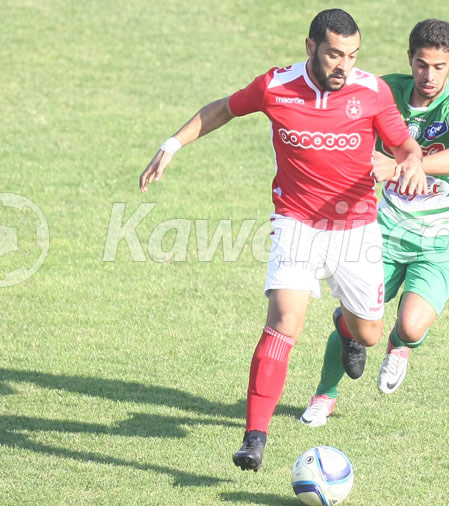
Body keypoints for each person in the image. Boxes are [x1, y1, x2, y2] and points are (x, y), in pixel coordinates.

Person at [138, 9, 427, 472]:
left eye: (352, 56)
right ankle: (255, 436)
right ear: (310, 47)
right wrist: (171, 145)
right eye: (335, 54)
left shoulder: (370, 91)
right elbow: (221, 109)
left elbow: (404, 145)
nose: (343, 66)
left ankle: (346, 326)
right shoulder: (275, 86)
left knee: (370, 333)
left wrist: (409, 163)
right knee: (283, 321)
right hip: (296, 223)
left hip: (355, 228)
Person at [300, 18, 449, 426]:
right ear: (410, 59)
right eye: (421, 65)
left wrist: (407, 163)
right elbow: (334, 109)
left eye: (439, 66)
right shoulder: (384, 91)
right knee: (353, 323)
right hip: (384, 230)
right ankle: (324, 396)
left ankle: (399, 345)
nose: (429, 76)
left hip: (442, 238)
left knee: (412, 327)